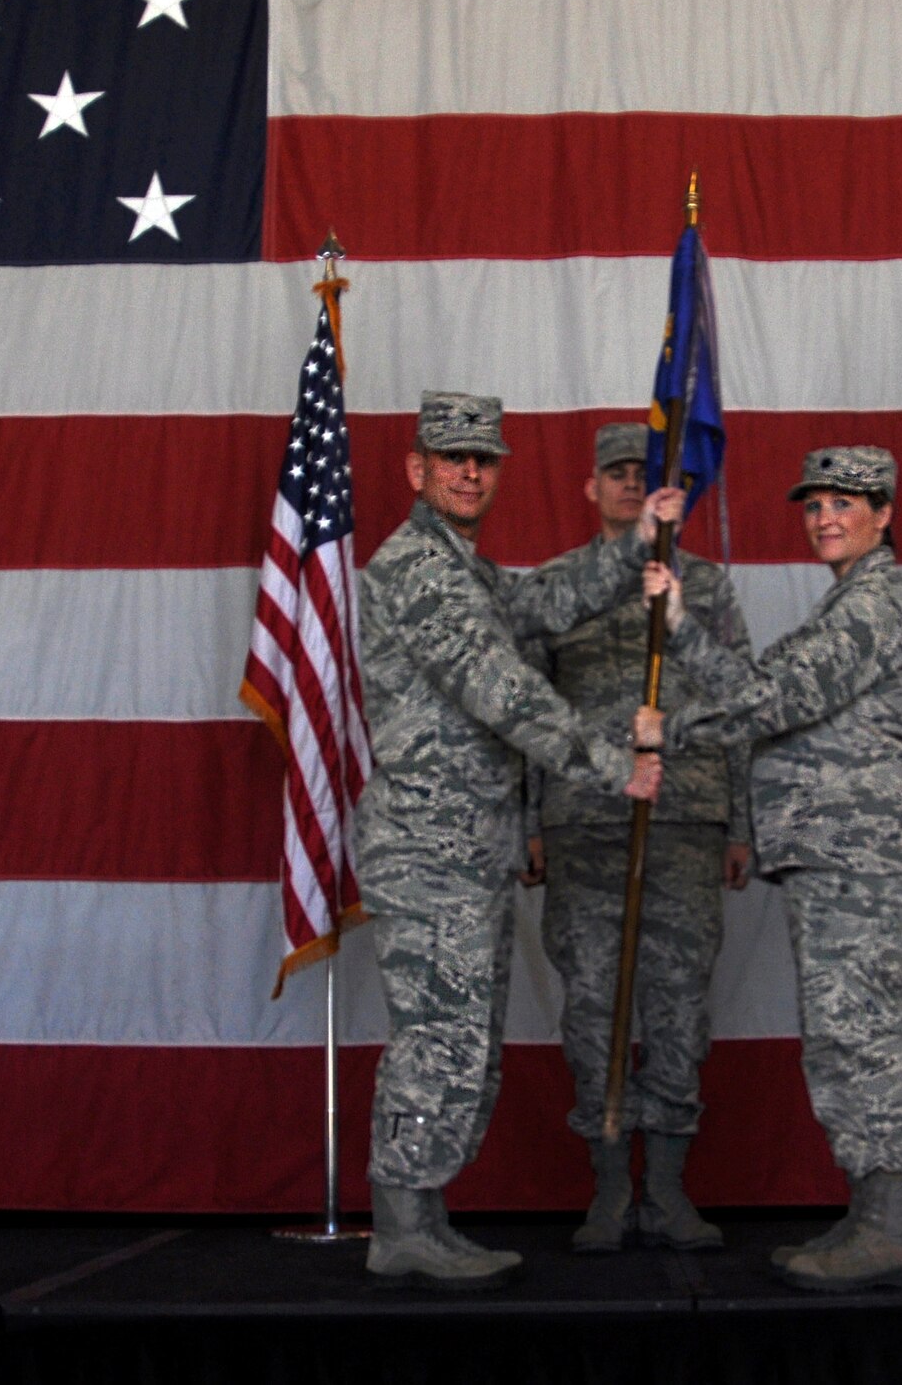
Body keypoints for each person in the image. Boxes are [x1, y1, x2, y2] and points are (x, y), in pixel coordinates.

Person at [357, 391, 682, 1290]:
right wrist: (610, 761)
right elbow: (500, 686)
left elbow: (538, 603)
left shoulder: (464, 568)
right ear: (415, 470)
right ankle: (402, 1226)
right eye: (452, 458)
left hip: (464, 845)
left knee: (461, 1036)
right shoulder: (417, 570)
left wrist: (631, 546)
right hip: (429, 845)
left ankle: (423, 1219)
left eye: (484, 459)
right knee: (438, 1037)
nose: (470, 472)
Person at [633, 446, 902, 1292]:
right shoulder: (846, 604)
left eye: (846, 502)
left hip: (858, 850)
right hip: (834, 850)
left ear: (884, 516)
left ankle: (892, 1222)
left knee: (859, 1035)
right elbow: (767, 685)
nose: (825, 516)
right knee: (843, 1033)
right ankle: (872, 1210)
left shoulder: (875, 607)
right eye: (814, 504)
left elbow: (774, 699)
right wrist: (687, 626)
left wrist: (670, 731)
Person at [520, 422, 752, 1252]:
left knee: (680, 1002)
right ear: (591, 488)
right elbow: (525, 714)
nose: (628, 485)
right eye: (615, 473)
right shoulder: (551, 589)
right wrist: (528, 826)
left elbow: (742, 708)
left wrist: (740, 824)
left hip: (687, 818)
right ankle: (610, 1189)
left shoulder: (710, 588)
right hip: (582, 821)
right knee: (592, 1005)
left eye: (642, 474)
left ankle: (670, 1189)